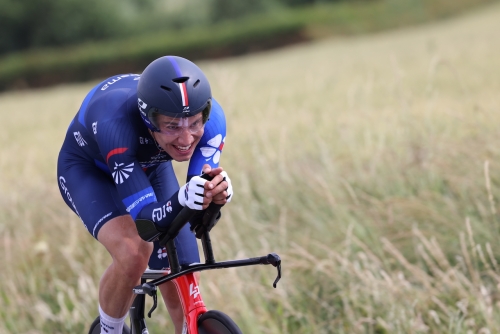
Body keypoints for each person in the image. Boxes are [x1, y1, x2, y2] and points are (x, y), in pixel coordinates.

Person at [57, 56, 233, 334]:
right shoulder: (114, 122)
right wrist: (185, 199)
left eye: (194, 124)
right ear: (148, 118)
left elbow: (198, 203)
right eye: (172, 126)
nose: (186, 140)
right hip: (91, 171)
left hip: (150, 166)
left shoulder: (213, 122)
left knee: (182, 268)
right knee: (134, 253)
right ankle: (110, 330)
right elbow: (148, 222)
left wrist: (215, 194)